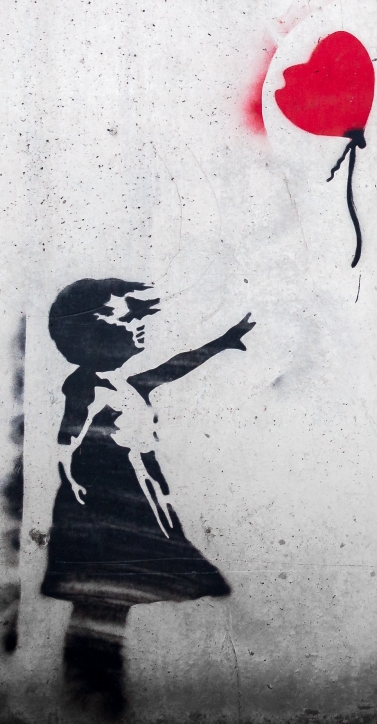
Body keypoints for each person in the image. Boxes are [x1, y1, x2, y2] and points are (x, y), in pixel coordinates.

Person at [41, 278, 256, 717]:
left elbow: (174, 367)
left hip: (129, 505)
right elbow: (67, 438)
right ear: (94, 332)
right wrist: (71, 479)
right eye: (128, 315)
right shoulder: (87, 386)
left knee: (106, 609)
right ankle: (92, 703)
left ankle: (97, 701)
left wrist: (223, 342)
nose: (140, 322)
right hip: (103, 513)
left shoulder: (126, 384)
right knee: (100, 608)